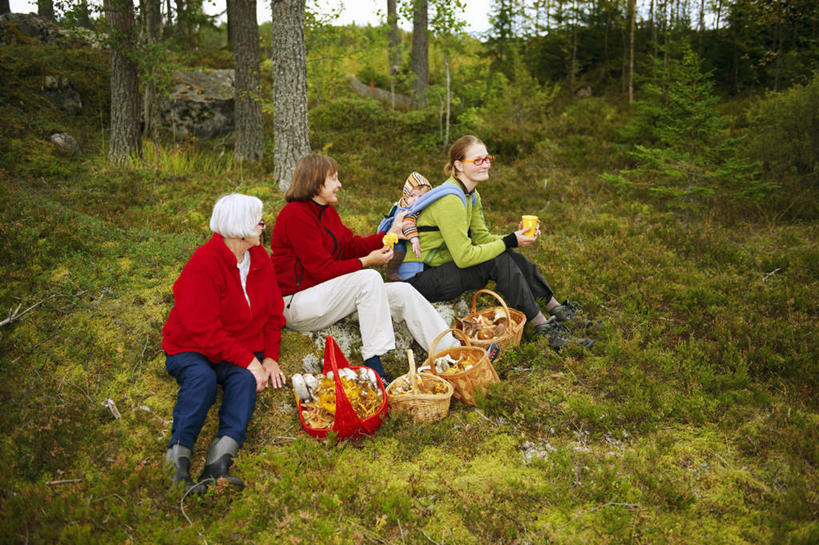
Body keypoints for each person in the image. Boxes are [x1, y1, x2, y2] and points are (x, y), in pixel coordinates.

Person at [270, 153, 460, 383]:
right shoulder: (294, 215)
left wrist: (388, 236)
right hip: (296, 304)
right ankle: (375, 368)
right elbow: (321, 270)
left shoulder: (326, 211)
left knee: (403, 292)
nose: (339, 185)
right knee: (368, 278)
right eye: (334, 179)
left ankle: (452, 353)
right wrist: (366, 261)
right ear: (316, 182)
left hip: (328, 297)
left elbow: (350, 245)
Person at [401, 135, 593, 350]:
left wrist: (516, 236)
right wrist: (510, 240)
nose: (485, 164)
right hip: (418, 282)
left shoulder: (471, 195)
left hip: (440, 269)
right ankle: (543, 329)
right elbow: (464, 257)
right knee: (496, 259)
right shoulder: (450, 200)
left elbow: (482, 238)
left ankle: (557, 309)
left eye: (487, 158)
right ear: (458, 165)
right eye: (477, 160)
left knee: (506, 253)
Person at [162, 193, 287, 494]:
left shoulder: (260, 259)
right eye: (257, 221)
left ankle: (217, 467)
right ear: (239, 227)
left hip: (236, 348)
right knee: (202, 380)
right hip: (191, 347)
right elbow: (203, 331)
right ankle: (177, 466)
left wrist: (268, 357)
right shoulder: (204, 263)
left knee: (244, 382)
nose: (263, 226)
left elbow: (273, 313)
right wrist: (249, 360)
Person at [384, 172, 432, 281]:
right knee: (399, 250)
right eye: (412, 195)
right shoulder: (407, 209)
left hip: (399, 234)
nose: (416, 199)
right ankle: (391, 272)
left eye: (421, 196)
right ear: (405, 195)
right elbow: (408, 223)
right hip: (397, 237)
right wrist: (414, 239)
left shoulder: (413, 205)